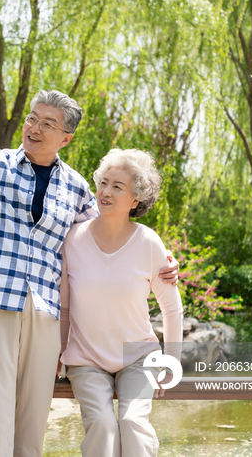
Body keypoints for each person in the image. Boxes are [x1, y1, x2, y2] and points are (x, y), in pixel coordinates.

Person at [0, 86, 178, 457]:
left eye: (48, 124)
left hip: (45, 307)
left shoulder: (75, 186)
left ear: (65, 138)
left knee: (35, 412)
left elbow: (110, 231)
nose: (34, 128)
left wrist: (161, 260)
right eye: (32, 118)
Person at [59, 148, 184, 457]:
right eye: (103, 182)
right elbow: (63, 309)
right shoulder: (72, 240)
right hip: (86, 359)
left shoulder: (149, 243)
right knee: (102, 424)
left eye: (118, 186)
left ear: (135, 199)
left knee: (131, 422)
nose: (106, 191)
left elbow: (171, 308)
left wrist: (172, 360)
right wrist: (58, 358)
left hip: (138, 357)